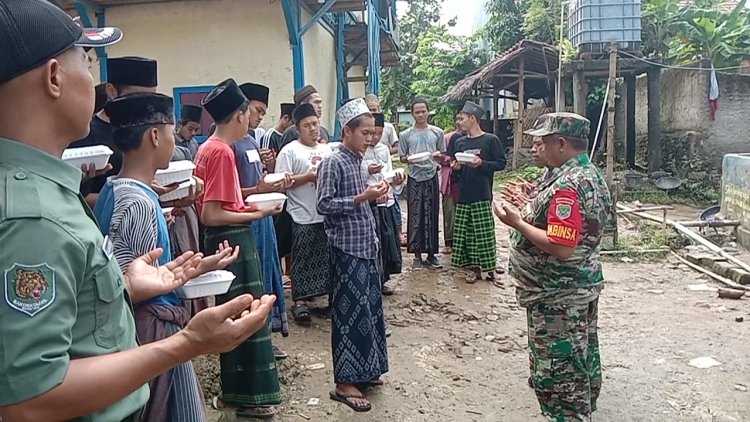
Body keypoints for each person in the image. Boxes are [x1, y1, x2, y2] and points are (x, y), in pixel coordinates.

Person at [0, 2, 274, 420]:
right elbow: (29, 399)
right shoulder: (31, 215)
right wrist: (186, 344)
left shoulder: (44, 191)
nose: (97, 85)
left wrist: (125, 284)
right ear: (54, 77)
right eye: (87, 61)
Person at [94, 92, 239, 421]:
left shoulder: (113, 190)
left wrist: (203, 266)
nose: (174, 143)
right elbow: (138, 282)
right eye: (172, 134)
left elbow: (147, 274)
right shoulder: (140, 204)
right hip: (151, 328)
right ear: (155, 136)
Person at [493, 112, 612, 422]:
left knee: (560, 377)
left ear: (561, 143)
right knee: (579, 359)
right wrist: (530, 203)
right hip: (573, 287)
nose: (536, 148)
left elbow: (561, 245)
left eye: (541, 143)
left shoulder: (569, 187)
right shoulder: (583, 174)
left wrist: (516, 221)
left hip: (557, 294)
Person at [194, 78, 283, 419]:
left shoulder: (209, 148)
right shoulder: (219, 151)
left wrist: (251, 201)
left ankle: (240, 391)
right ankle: (250, 396)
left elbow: (222, 200)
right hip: (230, 238)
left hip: (229, 235)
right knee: (244, 312)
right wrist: (261, 210)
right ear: (240, 115)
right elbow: (211, 213)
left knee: (235, 312)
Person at [317, 98, 389, 412]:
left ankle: (368, 369)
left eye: (373, 133)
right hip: (346, 249)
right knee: (349, 315)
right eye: (364, 133)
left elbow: (358, 203)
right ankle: (345, 382)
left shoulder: (358, 160)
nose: (370, 139)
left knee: (369, 311)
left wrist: (373, 195)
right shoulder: (334, 162)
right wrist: (363, 197)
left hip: (365, 245)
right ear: (347, 131)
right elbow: (325, 205)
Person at [233, 82, 290, 357]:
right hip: (245, 218)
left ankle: (266, 332)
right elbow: (229, 191)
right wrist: (257, 190)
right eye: (257, 111)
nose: (258, 117)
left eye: (263, 113)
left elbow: (260, 180)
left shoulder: (253, 140)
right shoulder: (228, 145)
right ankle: (251, 336)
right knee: (251, 279)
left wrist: (269, 166)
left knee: (267, 272)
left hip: (263, 217)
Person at [70, 56, 159, 208]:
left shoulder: (147, 130)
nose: (145, 104)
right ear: (111, 91)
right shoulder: (85, 133)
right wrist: (134, 194)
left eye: (151, 97)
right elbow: (79, 198)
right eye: (138, 97)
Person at [275, 103, 333, 323]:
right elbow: (280, 182)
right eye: (307, 125)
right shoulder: (290, 151)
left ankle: (329, 299)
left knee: (326, 258)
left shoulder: (327, 150)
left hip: (326, 214)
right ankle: (300, 301)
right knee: (302, 257)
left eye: (315, 124)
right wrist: (306, 178)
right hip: (301, 213)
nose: (313, 129)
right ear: (298, 128)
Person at [449, 101, 506, 284]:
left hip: (482, 192)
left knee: (485, 233)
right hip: (464, 193)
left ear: (473, 118)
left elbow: (500, 163)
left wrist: (481, 164)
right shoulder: (459, 142)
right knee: (468, 233)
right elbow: (456, 171)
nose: (460, 122)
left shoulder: (490, 140)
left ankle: (490, 270)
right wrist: (456, 168)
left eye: (462, 118)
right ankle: (473, 269)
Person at [398, 98, 445, 270]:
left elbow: (442, 154)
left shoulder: (437, 133)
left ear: (428, 111)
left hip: (431, 175)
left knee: (432, 213)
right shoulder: (405, 135)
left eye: (423, 111)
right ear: (412, 114)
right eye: (417, 112)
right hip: (414, 177)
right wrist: (409, 159)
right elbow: (402, 157)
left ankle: (432, 254)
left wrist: (438, 156)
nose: (420, 115)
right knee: (415, 215)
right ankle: (417, 255)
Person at [364, 112, 404, 295]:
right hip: (366, 201)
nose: (374, 138)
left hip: (384, 200)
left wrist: (394, 180)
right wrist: (367, 171)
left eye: (379, 133)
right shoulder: (359, 149)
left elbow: (387, 172)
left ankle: (383, 279)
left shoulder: (383, 150)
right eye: (371, 133)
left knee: (386, 241)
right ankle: (372, 280)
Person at [439, 113, 464, 255]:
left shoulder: (474, 139)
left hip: (465, 179)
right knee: (449, 210)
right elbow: (442, 156)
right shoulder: (448, 138)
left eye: (462, 119)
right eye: (458, 119)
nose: (459, 122)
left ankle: (461, 242)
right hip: (449, 178)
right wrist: (449, 161)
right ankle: (449, 241)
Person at [277, 84, 331, 151]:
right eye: (316, 102)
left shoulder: (324, 131)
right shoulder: (291, 132)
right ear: (303, 104)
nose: (320, 106)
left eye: (320, 102)